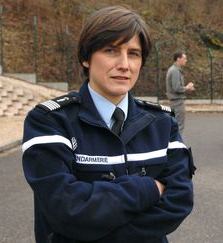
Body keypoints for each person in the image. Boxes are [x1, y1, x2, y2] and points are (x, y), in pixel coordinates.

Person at [22, 6, 195, 243]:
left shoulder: (162, 123)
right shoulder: (49, 122)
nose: (124, 64)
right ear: (86, 58)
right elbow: (65, 208)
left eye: (133, 53)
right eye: (111, 50)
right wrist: (149, 189)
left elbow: (179, 201)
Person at [166, 51, 195, 135]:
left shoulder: (174, 69)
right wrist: (187, 87)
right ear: (178, 59)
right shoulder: (175, 71)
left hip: (175, 101)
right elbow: (177, 88)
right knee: (179, 125)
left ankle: (173, 144)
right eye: (184, 58)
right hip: (177, 101)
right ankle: (177, 146)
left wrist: (186, 88)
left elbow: (176, 87)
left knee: (175, 124)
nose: (186, 60)